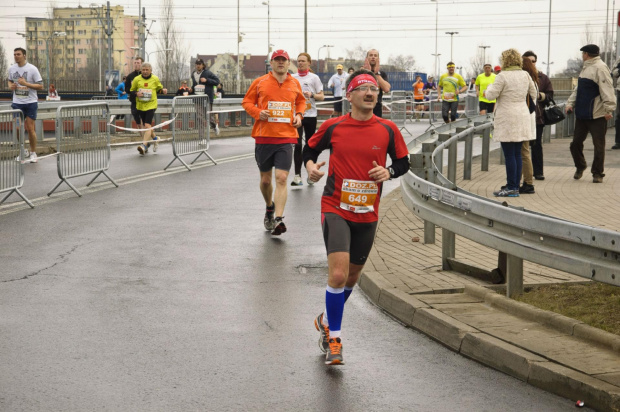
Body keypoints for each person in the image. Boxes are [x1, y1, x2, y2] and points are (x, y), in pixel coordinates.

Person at [303, 69, 410, 365]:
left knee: (352, 277)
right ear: (349, 96)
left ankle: (325, 319)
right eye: (363, 89)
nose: (370, 93)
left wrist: (389, 171)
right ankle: (334, 338)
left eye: (374, 89)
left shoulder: (388, 129)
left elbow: (404, 162)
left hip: (368, 212)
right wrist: (311, 167)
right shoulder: (334, 126)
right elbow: (308, 150)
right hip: (335, 206)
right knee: (337, 274)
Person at [241, 49, 306, 235]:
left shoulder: (294, 83)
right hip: (264, 137)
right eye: (277, 60)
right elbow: (247, 102)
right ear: (271, 63)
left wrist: (299, 116)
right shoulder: (260, 82)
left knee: (282, 178)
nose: (280, 63)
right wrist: (257, 113)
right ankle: (269, 207)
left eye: (283, 60)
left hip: (286, 137)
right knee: (265, 180)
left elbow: (301, 102)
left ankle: (278, 219)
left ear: (288, 63)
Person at [484, 49, 536, 197]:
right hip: (522, 115)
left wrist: (488, 88)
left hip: (507, 117)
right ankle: (515, 185)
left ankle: (512, 187)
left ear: (505, 60)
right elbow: (534, 94)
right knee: (517, 153)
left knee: (509, 155)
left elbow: (490, 95)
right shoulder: (525, 75)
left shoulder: (502, 76)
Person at [566, 44, 616, 184]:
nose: (582, 56)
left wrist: (609, 109)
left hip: (597, 114)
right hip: (582, 114)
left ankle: (597, 173)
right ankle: (581, 166)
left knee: (598, 146)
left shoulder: (600, 68)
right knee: (575, 144)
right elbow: (578, 90)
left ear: (587, 54)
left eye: (583, 53)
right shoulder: (586, 68)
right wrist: (570, 103)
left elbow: (607, 90)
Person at [291, 53, 324, 186]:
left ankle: (311, 174)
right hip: (297, 115)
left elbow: (322, 96)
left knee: (310, 146)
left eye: (303, 61)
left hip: (310, 115)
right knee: (297, 145)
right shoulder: (292, 78)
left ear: (309, 63)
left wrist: (312, 95)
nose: (300, 63)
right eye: (298, 61)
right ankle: (297, 176)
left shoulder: (314, 78)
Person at [8, 47, 43, 163]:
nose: (16, 56)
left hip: (30, 103)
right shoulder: (12, 69)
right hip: (17, 104)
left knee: (30, 128)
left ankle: (33, 152)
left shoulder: (32, 69)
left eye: (18, 54)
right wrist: (10, 86)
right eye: (14, 54)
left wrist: (25, 83)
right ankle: (23, 151)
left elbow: (40, 86)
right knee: (18, 128)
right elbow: (10, 80)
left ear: (24, 55)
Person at [523, 50, 554, 180]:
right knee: (522, 148)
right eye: (529, 61)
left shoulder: (543, 78)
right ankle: (522, 174)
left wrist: (541, 96)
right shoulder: (520, 76)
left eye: (533, 61)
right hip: (522, 116)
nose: (532, 64)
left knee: (536, 145)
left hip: (537, 116)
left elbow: (550, 95)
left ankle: (538, 172)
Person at [130, 62, 167, 155]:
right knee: (148, 127)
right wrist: (136, 93)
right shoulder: (136, 79)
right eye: (143, 70)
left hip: (151, 105)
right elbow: (131, 91)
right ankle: (155, 138)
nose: (145, 72)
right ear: (141, 71)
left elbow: (159, 89)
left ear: (151, 71)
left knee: (147, 125)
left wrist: (163, 91)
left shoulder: (155, 79)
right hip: (141, 105)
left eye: (147, 70)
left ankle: (144, 145)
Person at [519, 57, 539, 194]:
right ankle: (524, 181)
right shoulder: (533, 79)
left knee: (523, 152)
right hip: (529, 119)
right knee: (523, 152)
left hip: (525, 119)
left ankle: (528, 182)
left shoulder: (527, 80)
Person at [191, 58, 221, 136]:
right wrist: (191, 89)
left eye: (199, 64)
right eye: (197, 64)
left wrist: (207, 80)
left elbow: (217, 81)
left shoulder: (208, 73)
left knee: (208, 117)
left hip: (207, 99)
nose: (198, 66)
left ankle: (214, 126)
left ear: (203, 65)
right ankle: (201, 138)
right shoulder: (193, 74)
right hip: (197, 99)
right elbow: (195, 85)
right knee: (199, 118)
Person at [363, 49, 391, 117]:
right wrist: (367, 73)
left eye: (375, 55)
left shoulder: (381, 74)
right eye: (371, 55)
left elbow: (386, 89)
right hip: (363, 107)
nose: (373, 57)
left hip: (377, 107)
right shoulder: (361, 72)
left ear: (378, 59)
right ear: (366, 58)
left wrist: (376, 74)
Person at [125, 57, 144, 131]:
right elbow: (126, 89)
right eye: (135, 63)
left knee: (145, 123)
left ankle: (145, 141)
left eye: (138, 63)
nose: (136, 65)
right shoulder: (130, 76)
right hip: (134, 102)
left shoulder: (146, 75)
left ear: (142, 64)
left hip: (144, 101)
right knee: (139, 123)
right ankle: (149, 139)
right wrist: (135, 92)